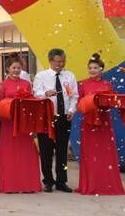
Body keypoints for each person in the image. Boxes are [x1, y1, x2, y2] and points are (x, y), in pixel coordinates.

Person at [77, 54, 124, 195]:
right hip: (89, 123)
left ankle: (106, 184)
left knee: (105, 154)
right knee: (90, 154)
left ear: (101, 69)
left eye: (95, 68)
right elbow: (79, 104)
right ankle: (90, 184)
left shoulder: (107, 85)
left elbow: (112, 102)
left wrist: (104, 104)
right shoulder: (83, 85)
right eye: (90, 68)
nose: (92, 70)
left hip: (104, 123)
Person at [33, 48, 78, 193]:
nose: (61, 64)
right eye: (58, 61)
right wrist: (46, 93)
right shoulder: (42, 76)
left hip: (64, 117)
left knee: (62, 150)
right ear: (50, 61)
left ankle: (61, 181)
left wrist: (71, 110)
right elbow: (36, 94)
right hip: (46, 118)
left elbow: (74, 96)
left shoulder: (69, 76)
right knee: (46, 150)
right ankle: (48, 181)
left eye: (63, 61)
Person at [0, 57, 42, 193]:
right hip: (8, 123)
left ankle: (28, 184)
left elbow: (32, 100)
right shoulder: (2, 84)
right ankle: (10, 185)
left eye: (18, 67)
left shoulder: (26, 84)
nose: (16, 70)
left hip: (23, 123)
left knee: (25, 152)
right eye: (13, 67)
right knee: (10, 153)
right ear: (8, 69)